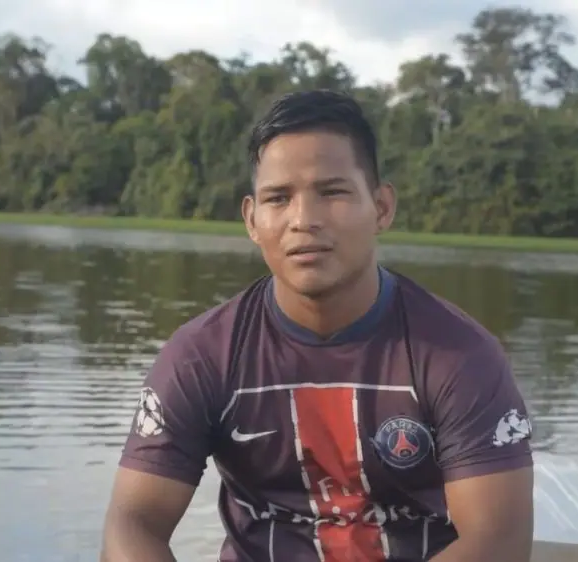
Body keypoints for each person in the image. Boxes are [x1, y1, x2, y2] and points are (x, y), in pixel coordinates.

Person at [99, 89, 535, 562]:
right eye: (278, 198)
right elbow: (133, 523)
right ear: (251, 219)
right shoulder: (203, 354)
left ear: (382, 207)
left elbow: (498, 540)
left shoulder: (458, 355)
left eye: (332, 192)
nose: (303, 220)